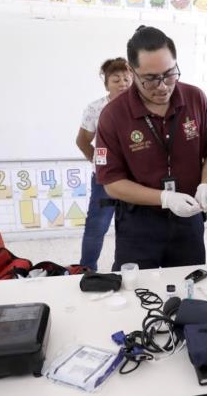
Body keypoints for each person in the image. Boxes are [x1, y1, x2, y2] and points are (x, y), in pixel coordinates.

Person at [95, 26, 207, 271]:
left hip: (188, 217)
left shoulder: (196, 99)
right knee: (136, 294)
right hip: (139, 224)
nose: (163, 86)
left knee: (189, 289)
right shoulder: (113, 115)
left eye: (170, 74)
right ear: (132, 72)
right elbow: (111, 183)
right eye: (151, 79)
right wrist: (164, 198)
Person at [76, 58, 132, 271]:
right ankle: (86, 271)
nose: (122, 83)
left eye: (127, 79)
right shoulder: (96, 108)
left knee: (130, 230)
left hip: (134, 181)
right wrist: (100, 165)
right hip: (105, 182)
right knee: (96, 227)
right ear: (106, 83)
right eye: (116, 79)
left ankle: (124, 271)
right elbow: (82, 141)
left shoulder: (141, 106)